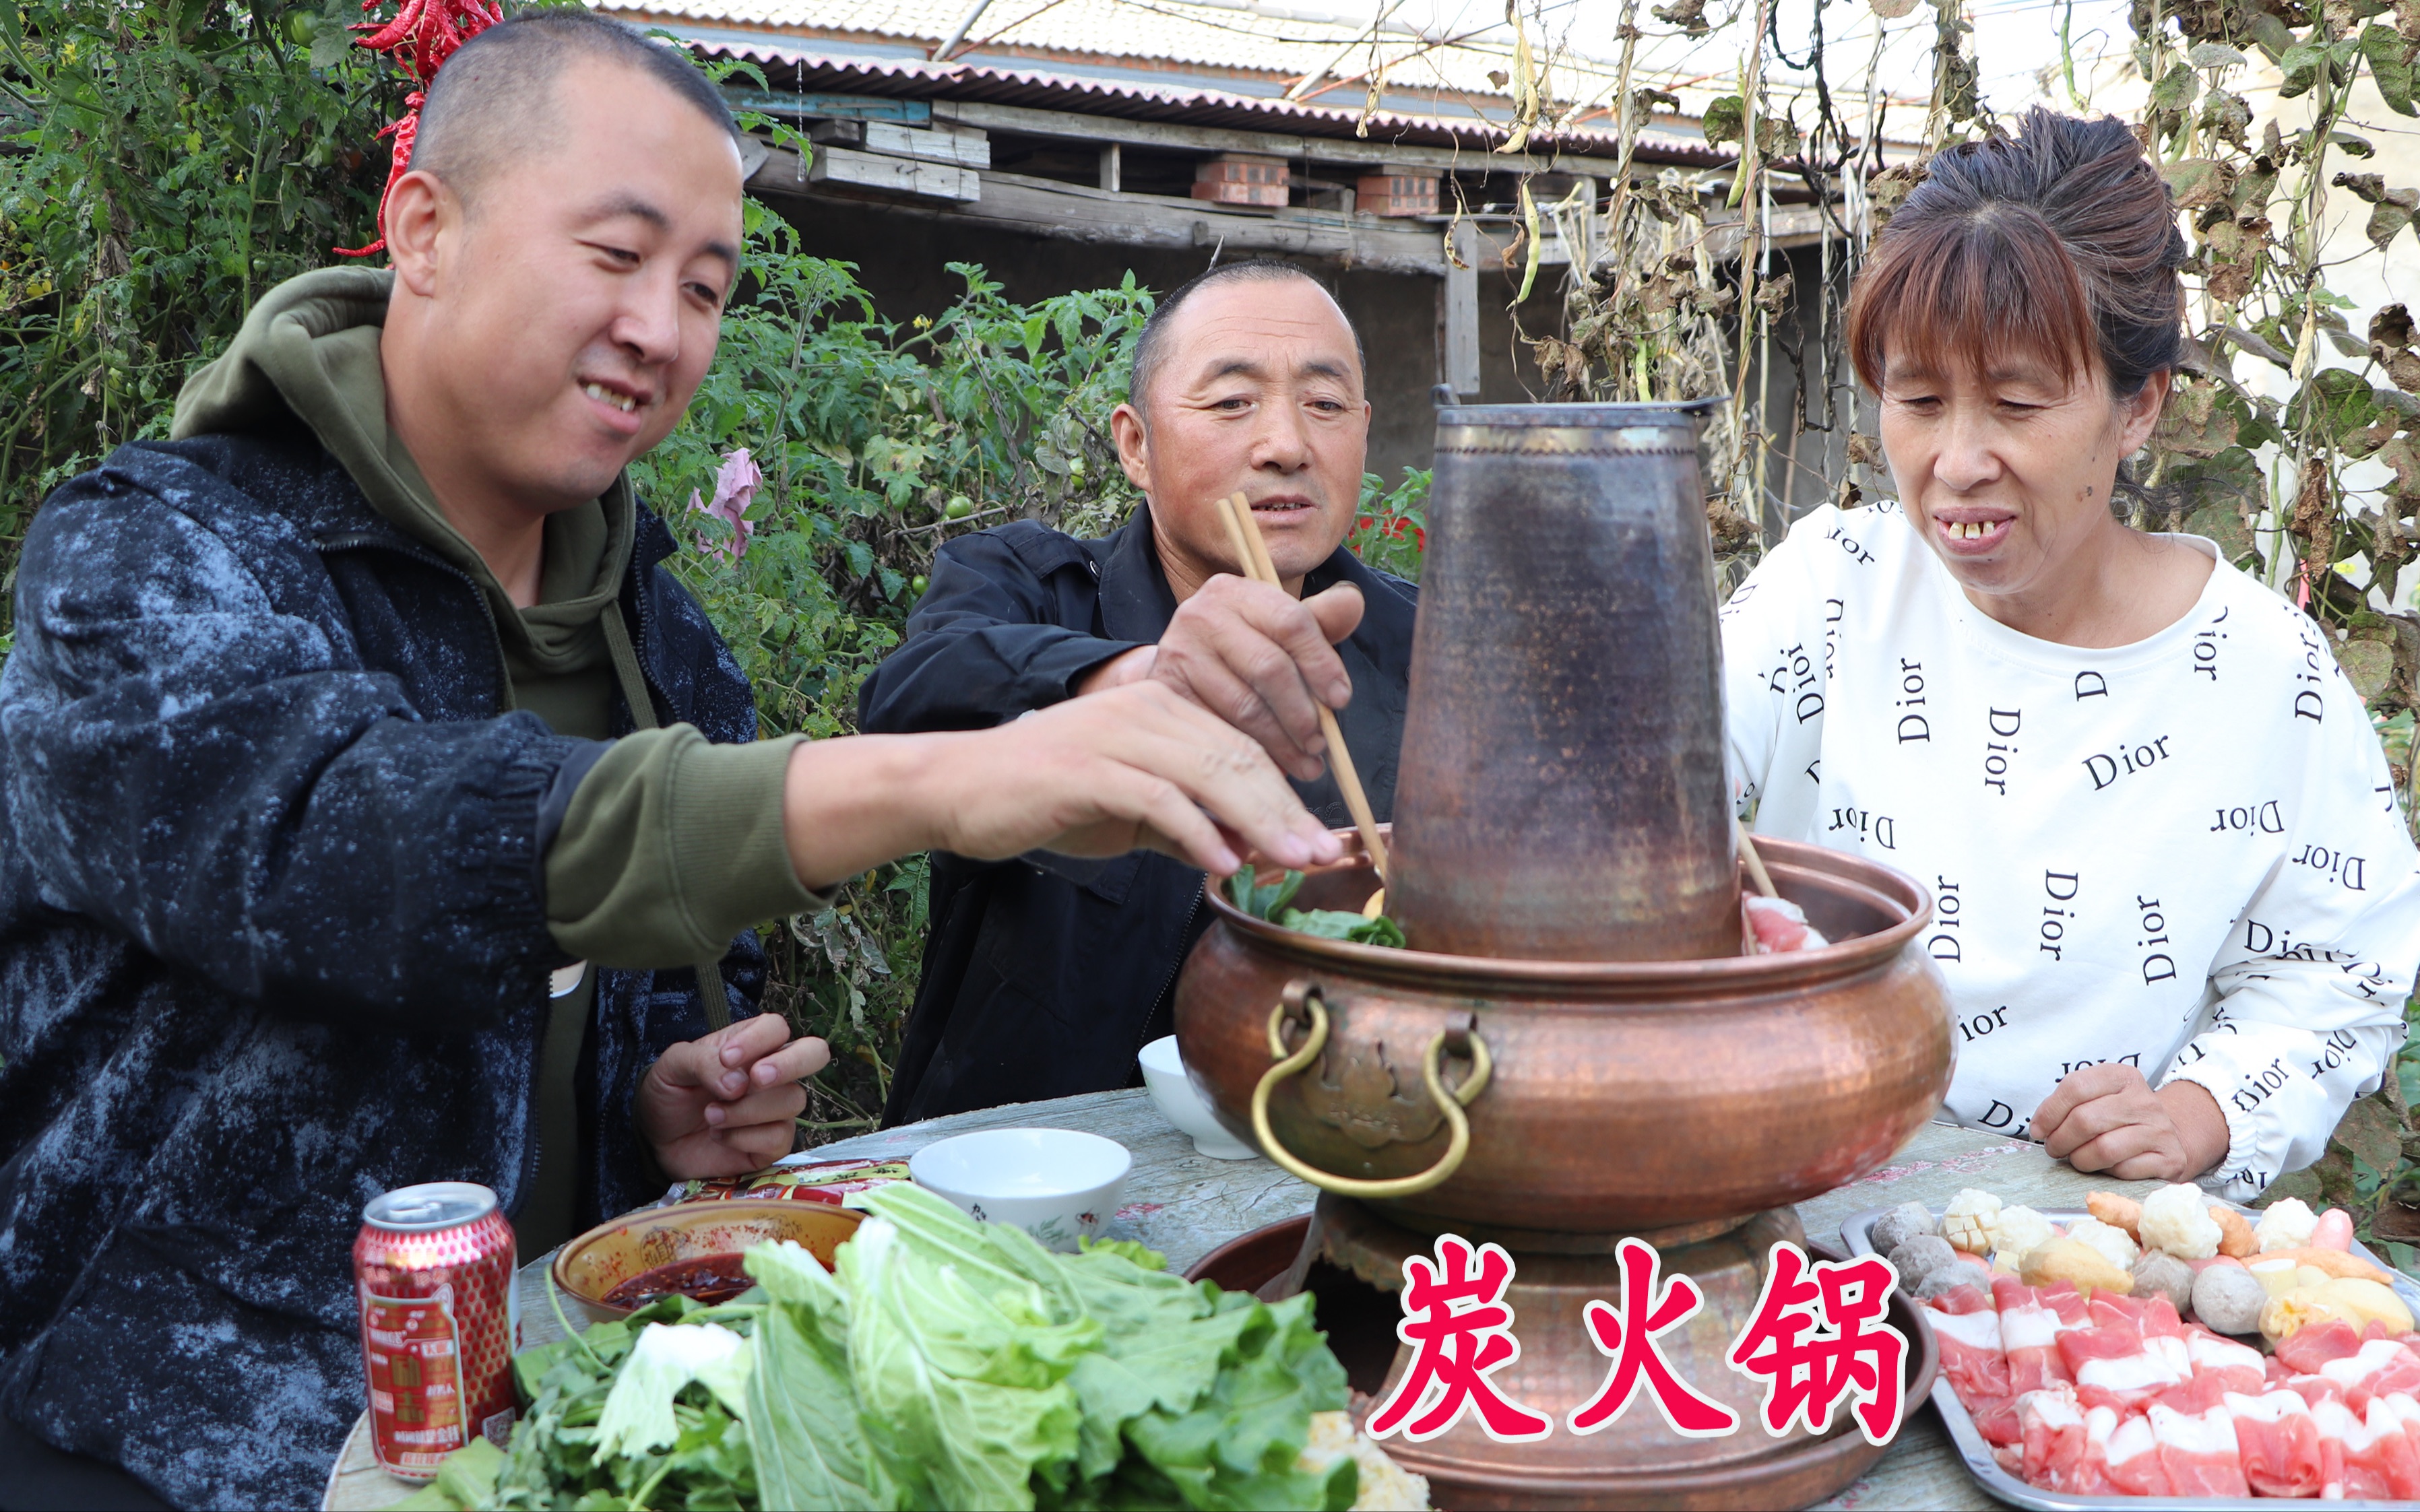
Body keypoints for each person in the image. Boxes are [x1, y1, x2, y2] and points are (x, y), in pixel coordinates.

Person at [0, 15, 1340, 1509]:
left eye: (705, 287)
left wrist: (658, 1100)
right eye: (616, 255)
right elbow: (349, 840)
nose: (662, 326)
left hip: (538, 1428)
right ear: (423, 230)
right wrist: (955, 779)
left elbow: (619, 1000)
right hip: (142, 1436)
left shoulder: (659, 636)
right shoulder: (151, 559)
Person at [1722, 107, 2420, 1201]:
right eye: (1916, 400)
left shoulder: (2256, 674)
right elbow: (1637, 800)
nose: (1955, 461)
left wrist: (2195, 1115)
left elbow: (2333, 967)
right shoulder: (1828, 596)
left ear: (2137, 406)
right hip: (1804, 1211)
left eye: (2014, 402)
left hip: (2084, 1249)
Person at [858, 259, 1418, 1123]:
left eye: (1326, 404)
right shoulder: (1025, 586)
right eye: (1232, 402)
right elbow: (908, 704)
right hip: (1023, 1181)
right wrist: (1137, 682)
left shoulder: (1430, 646)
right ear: (1135, 445)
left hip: (1336, 1165)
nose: (1286, 444)